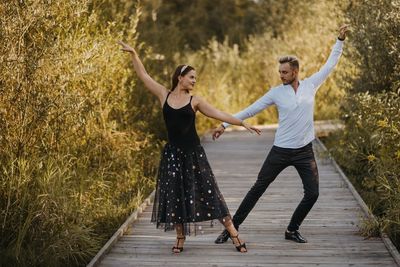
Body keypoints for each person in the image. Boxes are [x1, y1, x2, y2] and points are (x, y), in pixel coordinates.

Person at [118, 41, 261, 254]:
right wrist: (134, 54)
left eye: (195, 78)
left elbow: (219, 113)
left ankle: (234, 234)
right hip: (173, 155)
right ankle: (180, 238)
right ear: (180, 77)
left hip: (193, 155)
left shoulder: (195, 101)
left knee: (210, 194)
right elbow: (144, 76)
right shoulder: (163, 95)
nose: (194, 81)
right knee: (176, 197)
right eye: (191, 77)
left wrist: (241, 122)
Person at [213, 25, 349, 244]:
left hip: (304, 151)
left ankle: (292, 229)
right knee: (257, 188)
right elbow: (251, 109)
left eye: (284, 72)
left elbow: (330, 64)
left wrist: (340, 40)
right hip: (281, 150)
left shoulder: (311, 85)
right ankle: (231, 229)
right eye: (280, 72)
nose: (281, 75)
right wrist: (224, 124)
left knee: (312, 194)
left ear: (295, 72)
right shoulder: (276, 92)